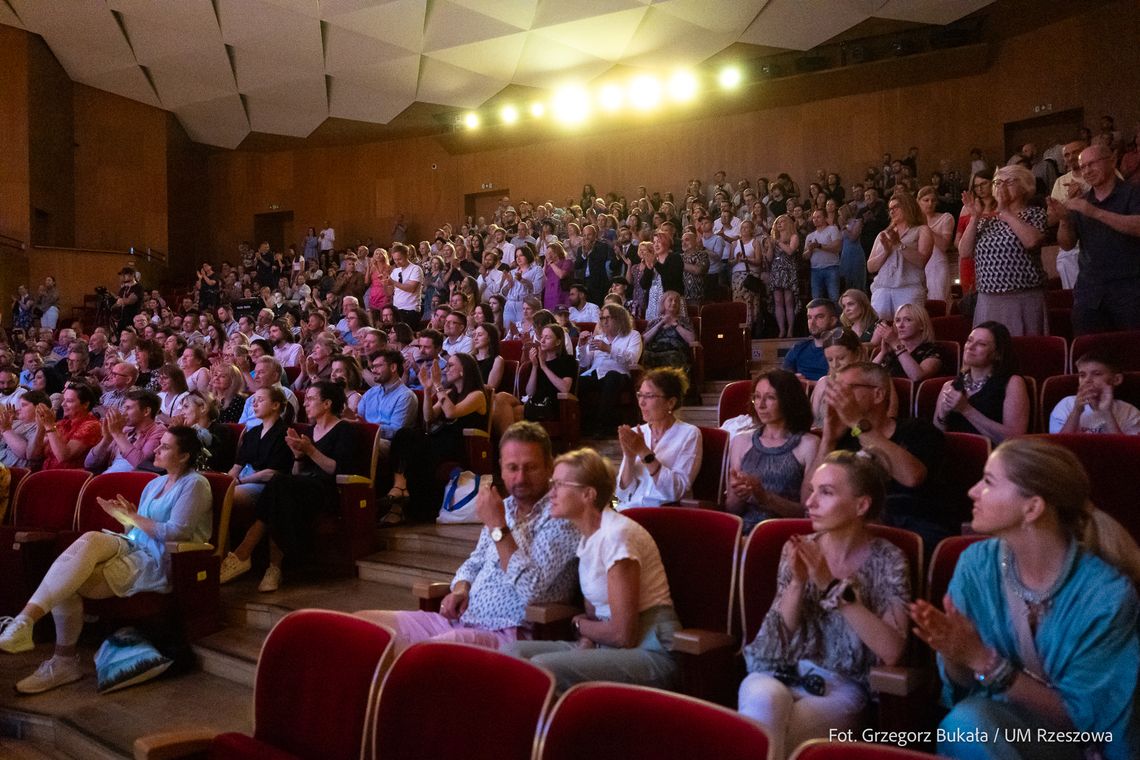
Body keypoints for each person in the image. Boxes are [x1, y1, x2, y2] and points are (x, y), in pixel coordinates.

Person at [911, 438, 1140, 760]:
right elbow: (961, 686)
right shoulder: (976, 564)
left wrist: (983, 660)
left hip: (1086, 747)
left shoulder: (1106, 596)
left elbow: (1084, 724)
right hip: (999, 729)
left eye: (989, 482)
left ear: (1032, 507)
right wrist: (953, 649)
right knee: (965, 723)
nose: (973, 491)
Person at [0, 427, 211, 694]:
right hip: (134, 545)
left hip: (161, 559)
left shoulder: (195, 484)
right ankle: (24, 622)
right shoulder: (154, 483)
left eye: (166, 447)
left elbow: (176, 531)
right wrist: (123, 517)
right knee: (88, 540)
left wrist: (133, 518)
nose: (157, 450)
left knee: (71, 579)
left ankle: (62, 660)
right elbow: (136, 530)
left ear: (184, 456)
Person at [738, 451, 910, 760]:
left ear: (862, 505)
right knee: (764, 703)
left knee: (776, 738)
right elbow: (778, 636)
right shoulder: (801, 547)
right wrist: (797, 583)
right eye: (813, 490)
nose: (810, 502)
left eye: (826, 492)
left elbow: (892, 650)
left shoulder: (889, 559)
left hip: (844, 686)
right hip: (781, 668)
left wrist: (831, 586)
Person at [355, 422, 579, 654]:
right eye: (512, 467)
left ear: (549, 467)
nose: (520, 477)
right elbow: (475, 561)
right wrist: (461, 588)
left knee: (419, 655)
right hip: (460, 619)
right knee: (361, 628)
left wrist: (498, 526)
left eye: (530, 467)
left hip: (509, 633)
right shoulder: (504, 507)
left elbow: (531, 590)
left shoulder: (562, 516)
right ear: (501, 468)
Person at [507, 448, 680, 693]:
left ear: (588, 494)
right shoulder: (587, 539)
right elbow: (596, 614)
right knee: (512, 653)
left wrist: (580, 627)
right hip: (607, 647)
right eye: (551, 483)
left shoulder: (616, 536)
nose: (550, 493)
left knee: (543, 668)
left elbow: (623, 635)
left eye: (559, 484)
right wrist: (586, 637)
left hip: (650, 650)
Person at [222, 382, 354, 593]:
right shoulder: (310, 430)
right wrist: (298, 456)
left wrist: (310, 451)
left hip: (327, 491)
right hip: (301, 486)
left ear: (327, 403)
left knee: (279, 484)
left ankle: (244, 552)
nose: (305, 402)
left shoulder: (344, 429)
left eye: (311, 399)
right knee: (281, 492)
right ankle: (274, 568)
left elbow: (336, 470)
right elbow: (296, 473)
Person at [813, 362, 951, 551]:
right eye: (836, 390)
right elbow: (809, 496)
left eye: (847, 389)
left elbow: (912, 477)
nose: (840, 397)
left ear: (878, 394)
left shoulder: (918, 430)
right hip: (852, 524)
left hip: (911, 526)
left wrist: (856, 422)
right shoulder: (841, 437)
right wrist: (828, 440)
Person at [386, 353, 488, 524]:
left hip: (459, 443)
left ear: (464, 371)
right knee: (404, 434)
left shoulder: (477, 395)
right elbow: (428, 417)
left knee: (415, 444)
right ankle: (400, 486)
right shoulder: (449, 392)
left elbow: (451, 412)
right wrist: (427, 389)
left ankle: (406, 505)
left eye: (451, 366)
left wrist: (438, 384)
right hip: (440, 438)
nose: (446, 369)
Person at [1049, 142, 1140, 335]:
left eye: (1092, 164)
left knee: (1131, 353)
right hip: (1090, 292)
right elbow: (1067, 244)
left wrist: (1094, 212)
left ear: (1112, 160)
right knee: (1090, 352)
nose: (1087, 171)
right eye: (1083, 167)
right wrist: (1064, 220)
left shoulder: (1132, 192)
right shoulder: (1082, 201)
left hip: (1130, 289)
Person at [959, 164, 1048, 336]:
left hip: (1022, 298)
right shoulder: (986, 220)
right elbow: (964, 252)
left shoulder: (1034, 214)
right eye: (998, 183)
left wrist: (1005, 211)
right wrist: (975, 217)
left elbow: (1031, 241)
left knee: (1023, 350)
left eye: (1009, 182)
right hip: (988, 299)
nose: (1001, 187)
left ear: (1025, 186)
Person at [727, 370, 819, 532]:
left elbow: (808, 513)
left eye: (770, 398)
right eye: (757, 397)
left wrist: (764, 497)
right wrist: (738, 493)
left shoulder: (808, 444)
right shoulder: (741, 441)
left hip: (788, 532)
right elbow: (732, 509)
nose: (761, 405)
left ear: (788, 401)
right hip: (744, 531)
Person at [219, 386, 294, 584]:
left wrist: (240, 482)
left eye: (260, 400)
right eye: (254, 400)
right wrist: (225, 482)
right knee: (216, 494)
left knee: (230, 498)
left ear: (276, 405)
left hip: (268, 485)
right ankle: (220, 554)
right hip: (245, 479)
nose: (254, 403)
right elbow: (237, 466)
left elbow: (274, 472)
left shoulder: (284, 433)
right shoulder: (252, 433)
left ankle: (235, 557)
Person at [615, 368, 702, 509]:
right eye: (640, 395)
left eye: (648, 396)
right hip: (630, 511)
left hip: (663, 514)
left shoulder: (689, 434)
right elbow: (622, 495)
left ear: (670, 403)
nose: (641, 403)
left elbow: (675, 491)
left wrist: (643, 451)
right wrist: (629, 457)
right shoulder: (637, 433)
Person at [935, 322, 1030, 446]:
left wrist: (966, 409)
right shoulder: (949, 386)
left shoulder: (1013, 383)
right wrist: (943, 415)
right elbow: (936, 438)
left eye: (981, 344)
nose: (970, 347)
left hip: (995, 459)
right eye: (969, 340)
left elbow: (1015, 440)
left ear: (997, 354)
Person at [491, 324, 576, 436]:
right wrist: (535, 366)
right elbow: (530, 392)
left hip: (551, 406)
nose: (543, 340)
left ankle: (509, 446)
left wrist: (544, 366)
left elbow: (565, 388)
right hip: (533, 403)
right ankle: (512, 444)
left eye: (548, 337)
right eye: (542, 337)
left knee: (504, 412)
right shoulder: (537, 362)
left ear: (558, 342)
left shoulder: (567, 361)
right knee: (500, 397)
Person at [577, 304, 643, 438]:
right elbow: (584, 363)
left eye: (608, 318)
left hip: (620, 375)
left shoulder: (633, 335)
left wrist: (609, 349)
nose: (604, 321)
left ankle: (604, 426)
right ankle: (584, 426)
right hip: (597, 373)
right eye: (602, 318)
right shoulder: (598, 338)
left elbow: (633, 359)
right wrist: (582, 346)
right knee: (580, 381)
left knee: (612, 377)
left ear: (620, 319)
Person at [867, 191, 933, 317]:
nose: (892, 211)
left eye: (896, 207)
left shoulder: (921, 230)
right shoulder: (884, 234)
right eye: (890, 209)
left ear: (907, 207)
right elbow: (871, 267)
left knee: (908, 328)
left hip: (909, 289)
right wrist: (886, 252)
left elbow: (921, 261)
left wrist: (899, 245)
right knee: (880, 330)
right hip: (882, 289)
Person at [1049, 351, 1140, 434]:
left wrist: (1107, 413)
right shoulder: (1066, 405)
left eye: (1097, 374)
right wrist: (1076, 412)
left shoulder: (1129, 412)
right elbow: (1057, 448)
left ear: (1116, 379)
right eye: (1082, 375)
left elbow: (1126, 450)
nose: (1087, 380)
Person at [84, 389, 166, 473]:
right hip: (107, 478)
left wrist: (118, 434)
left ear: (146, 411)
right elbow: (89, 464)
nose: (123, 412)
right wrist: (106, 439)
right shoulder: (125, 429)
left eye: (128, 408)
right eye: (124, 408)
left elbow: (141, 464)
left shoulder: (159, 432)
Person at [357, 350, 418, 453]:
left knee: (354, 440)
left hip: (389, 444)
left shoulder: (405, 396)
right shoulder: (371, 393)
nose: (373, 370)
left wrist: (366, 428)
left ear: (393, 367)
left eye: (378, 366)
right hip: (365, 435)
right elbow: (359, 417)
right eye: (373, 367)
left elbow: (396, 431)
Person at [871, 302, 944, 383]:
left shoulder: (934, 350)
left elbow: (917, 376)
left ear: (922, 325)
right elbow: (867, 377)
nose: (900, 325)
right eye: (898, 320)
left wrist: (896, 344)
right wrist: (882, 352)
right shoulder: (892, 349)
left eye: (908, 320)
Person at [36, 383, 102, 470]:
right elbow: (34, 455)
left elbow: (63, 456)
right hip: (46, 474)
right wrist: (40, 427)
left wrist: (49, 426)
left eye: (69, 401)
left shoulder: (92, 425)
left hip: (70, 478)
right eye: (63, 400)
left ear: (85, 404)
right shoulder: (61, 423)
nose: (63, 404)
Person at [810, 329, 864, 429]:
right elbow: (812, 424)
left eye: (841, 358)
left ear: (857, 353)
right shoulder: (823, 383)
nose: (835, 365)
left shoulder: (874, 382)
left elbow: (875, 428)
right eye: (830, 360)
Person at [783, 299, 839, 382]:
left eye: (819, 317)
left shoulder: (840, 350)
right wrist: (792, 378)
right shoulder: (798, 348)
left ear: (832, 320)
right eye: (809, 317)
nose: (812, 322)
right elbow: (783, 375)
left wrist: (809, 384)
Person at [918, 185, 955, 305]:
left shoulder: (945, 218)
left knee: (939, 301)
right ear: (918, 202)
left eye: (933, 200)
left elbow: (944, 245)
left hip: (937, 265)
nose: (930, 203)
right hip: (920, 266)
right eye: (926, 200)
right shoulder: (913, 222)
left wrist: (926, 226)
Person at [640, 291, 694, 370]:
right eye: (670, 300)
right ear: (663, 303)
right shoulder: (654, 322)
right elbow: (643, 340)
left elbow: (691, 339)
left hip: (675, 352)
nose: (674, 303)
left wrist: (675, 324)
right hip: (654, 352)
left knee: (673, 356)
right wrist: (660, 323)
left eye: (676, 301)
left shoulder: (684, 321)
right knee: (645, 356)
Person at [0, 390, 49, 468]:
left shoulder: (41, 427)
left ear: (39, 408)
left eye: (23, 405)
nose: (18, 409)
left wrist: (6, 430)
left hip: (13, 473)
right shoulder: (17, 423)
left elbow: (26, 453)